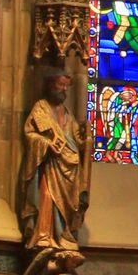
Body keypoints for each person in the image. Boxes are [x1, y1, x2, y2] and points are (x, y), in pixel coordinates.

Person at [17, 63, 87, 252]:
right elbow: (30, 134)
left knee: (66, 203)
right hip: (49, 167)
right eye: (60, 85)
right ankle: (44, 235)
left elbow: (73, 138)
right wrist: (46, 145)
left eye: (66, 86)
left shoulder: (67, 113)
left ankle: (63, 235)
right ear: (50, 85)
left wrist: (84, 141)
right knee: (47, 198)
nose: (64, 89)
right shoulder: (41, 108)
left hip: (69, 171)